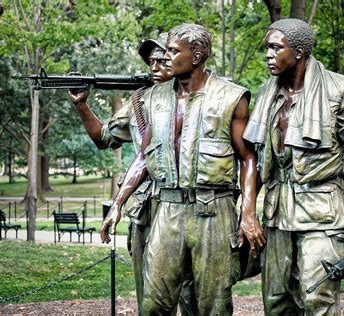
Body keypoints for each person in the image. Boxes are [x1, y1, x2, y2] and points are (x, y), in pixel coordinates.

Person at [99, 23, 266, 315]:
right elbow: (144, 156)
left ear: (197, 56)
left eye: (173, 52)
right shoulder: (153, 98)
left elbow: (249, 158)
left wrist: (249, 213)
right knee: (153, 303)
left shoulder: (231, 97)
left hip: (213, 211)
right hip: (168, 210)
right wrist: (118, 203)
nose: (164, 58)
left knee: (212, 305)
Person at [243, 19, 344, 315]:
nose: (268, 55)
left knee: (317, 298)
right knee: (276, 301)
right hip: (278, 213)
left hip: (322, 214)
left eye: (275, 48)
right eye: (266, 48)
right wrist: (246, 210)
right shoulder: (266, 95)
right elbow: (258, 160)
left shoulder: (339, 91)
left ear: (298, 52)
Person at [68, 33, 196, 314]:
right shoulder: (138, 102)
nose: (154, 66)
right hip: (146, 209)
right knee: (150, 295)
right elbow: (103, 138)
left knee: (192, 293)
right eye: (151, 61)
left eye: (161, 60)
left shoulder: (200, 100)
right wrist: (82, 105)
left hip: (189, 207)